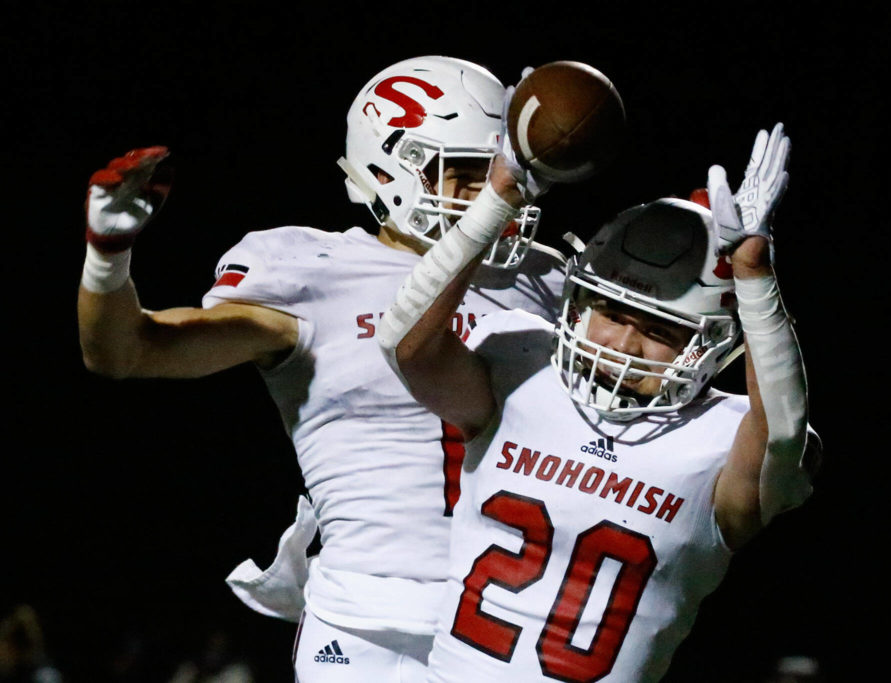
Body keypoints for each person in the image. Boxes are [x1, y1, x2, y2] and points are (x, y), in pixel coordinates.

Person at [77, 56, 567, 681]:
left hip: (525, 616)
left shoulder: (548, 278)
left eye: (500, 174)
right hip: (369, 622)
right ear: (394, 169)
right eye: (468, 175)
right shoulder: (317, 271)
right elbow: (126, 352)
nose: (493, 194)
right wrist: (107, 257)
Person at [379, 123, 820, 681]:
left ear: (709, 342)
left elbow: (782, 431)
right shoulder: (522, 367)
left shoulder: (723, 435)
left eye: (660, 330)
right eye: (612, 313)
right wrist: (497, 199)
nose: (624, 346)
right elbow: (404, 344)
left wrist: (755, 276)